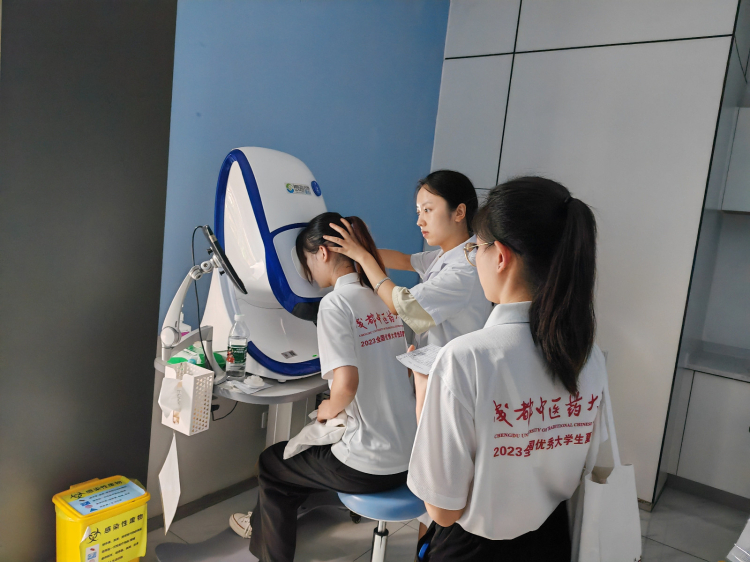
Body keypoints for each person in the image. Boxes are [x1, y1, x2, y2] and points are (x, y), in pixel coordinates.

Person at [407, 177, 608, 561]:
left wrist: (423, 397)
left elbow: (443, 511)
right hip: (552, 541)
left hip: (475, 550)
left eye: (475, 250)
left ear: (499, 256)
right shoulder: (589, 355)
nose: (473, 260)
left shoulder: (464, 359)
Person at [230, 212, 417, 562]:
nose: (307, 273)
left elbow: (346, 383)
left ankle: (270, 548)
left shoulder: (334, 303)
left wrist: (327, 409)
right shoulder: (382, 297)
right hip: (408, 456)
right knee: (303, 454)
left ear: (323, 253)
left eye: (306, 262)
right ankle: (264, 522)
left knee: (273, 462)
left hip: (369, 465)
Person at [326, 170, 492, 351]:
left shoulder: (464, 269)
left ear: (459, 212)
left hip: (453, 366)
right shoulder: (445, 255)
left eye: (427, 210)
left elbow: (399, 304)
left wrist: (362, 257)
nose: (419, 221)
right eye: (419, 212)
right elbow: (403, 261)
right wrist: (357, 248)